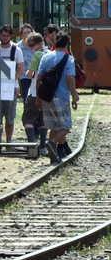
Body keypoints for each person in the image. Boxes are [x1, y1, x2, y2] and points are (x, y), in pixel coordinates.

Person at [36, 33, 79, 163]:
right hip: (62, 97)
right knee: (65, 126)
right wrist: (74, 94)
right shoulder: (69, 59)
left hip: (46, 97)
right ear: (67, 45)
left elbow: (39, 79)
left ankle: (52, 155)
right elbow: (70, 78)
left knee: (53, 127)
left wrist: (38, 97)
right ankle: (52, 143)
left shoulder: (46, 56)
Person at [0, 25, 25, 143]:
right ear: (0, 35)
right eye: (2, 35)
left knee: (10, 118)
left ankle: (9, 141)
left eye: (7, 35)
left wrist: (12, 81)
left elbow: (21, 69)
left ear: (10, 36)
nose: (4, 38)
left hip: (11, 89)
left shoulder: (16, 50)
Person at [21, 32, 47, 145]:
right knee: (43, 120)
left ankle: (32, 144)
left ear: (39, 44)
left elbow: (30, 74)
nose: (31, 49)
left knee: (28, 119)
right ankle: (42, 145)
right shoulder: (50, 53)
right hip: (48, 93)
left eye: (32, 46)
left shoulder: (37, 55)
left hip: (35, 92)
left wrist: (27, 72)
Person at [17, 23, 35, 99]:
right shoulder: (17, 47)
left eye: (29, 32)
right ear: (21, 35)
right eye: (25, 33)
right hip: (23, 78)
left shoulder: (36, 45)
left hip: (35, 77)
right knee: (26, 100)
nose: (27, 34)